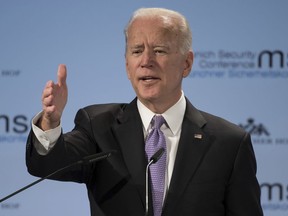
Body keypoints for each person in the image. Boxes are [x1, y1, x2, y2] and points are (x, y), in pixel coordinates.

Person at [26, 7, 263, 216]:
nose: (146, 61)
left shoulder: (229, 143)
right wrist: (50, 121)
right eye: (137, 51)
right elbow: (47, 165)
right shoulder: (98, 126)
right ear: (127, 65)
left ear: (187, 63)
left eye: (159, 50)